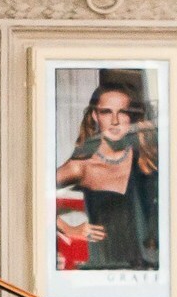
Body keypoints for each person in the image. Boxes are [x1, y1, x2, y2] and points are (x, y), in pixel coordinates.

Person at [55, 82, 159, 271]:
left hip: (151, 271)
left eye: (123, 112)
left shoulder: (149, 159)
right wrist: (69, 229)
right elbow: (31, 192)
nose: (115, 121)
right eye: (106, 112)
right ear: (95, 116)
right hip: (104, 267)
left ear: (131, 117)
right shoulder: (82, 165)